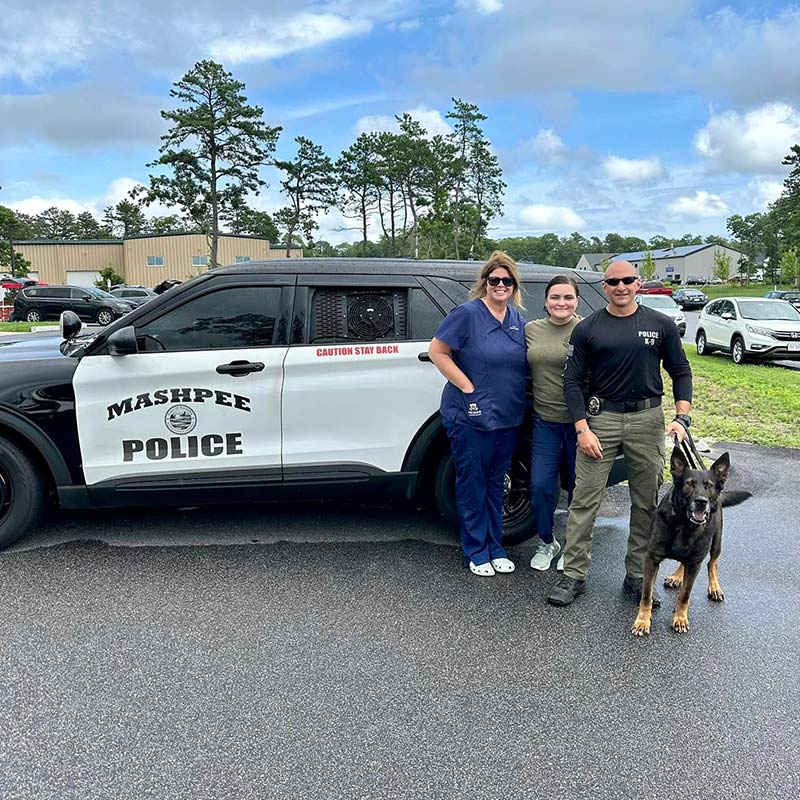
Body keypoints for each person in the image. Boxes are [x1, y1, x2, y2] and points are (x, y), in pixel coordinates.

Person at [546, 260, 692, 607]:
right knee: (584, 500)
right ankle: (574, 575)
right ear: (605, 286)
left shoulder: (661, 324)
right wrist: (582, 428)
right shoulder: (589, 329)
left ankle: (637, 576)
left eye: (627, 280)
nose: (621, 286)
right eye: (613, 281)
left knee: (645, 503)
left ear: (638, 283)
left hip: (648, 420)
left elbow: (680, 371)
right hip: (601, 421)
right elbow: (572, 381)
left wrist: (681, 417)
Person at [428, 252, 527, 577]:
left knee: (496, 483)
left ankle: (496, 546)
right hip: (469, 416)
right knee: (472, 482)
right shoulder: (467, 314)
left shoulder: (516, 319)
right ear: (484, 282)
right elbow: (437, 351)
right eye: (494, 280)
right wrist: (467, 386)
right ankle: (476, 550)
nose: (500, 285)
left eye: (506, 281)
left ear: (514, 285)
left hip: (507, 417)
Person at [525, 275, 581, 572]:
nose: (562, 303)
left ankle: (573, 546)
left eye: (568, 297)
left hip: (581, 424)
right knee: (540, 487)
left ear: (577, 301)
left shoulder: (587, 329)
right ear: (546, 301)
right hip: (544, 422)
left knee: (578, 488)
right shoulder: (531, 330)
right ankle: (547, 542)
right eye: (556, 297)